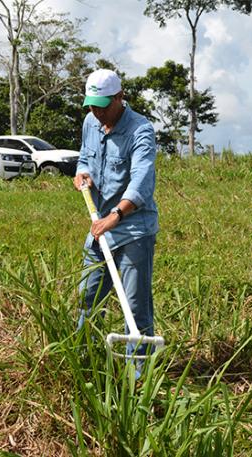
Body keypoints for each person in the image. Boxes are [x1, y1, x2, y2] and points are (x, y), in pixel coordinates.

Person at [73, 68, 159, 360]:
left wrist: (117, 216)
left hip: (133, 227)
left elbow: (141, 180)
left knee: (135, 307)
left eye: (102, 106)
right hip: (100, 225)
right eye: (91, 107)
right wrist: (81, 173)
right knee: (88, 297)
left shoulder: (140, 130)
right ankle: (84, 361)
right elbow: (85, 155)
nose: (96, 113)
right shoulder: (90, 122)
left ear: (120, 98)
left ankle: (139, 376)